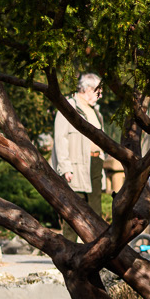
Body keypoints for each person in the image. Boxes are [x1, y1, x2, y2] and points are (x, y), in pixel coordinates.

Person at [53, 73, 123, 211]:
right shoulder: (68, 107)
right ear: (88, 89)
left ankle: (97, 227)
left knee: (95, 209)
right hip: (75, 167)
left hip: (96, 163)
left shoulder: (96, 112)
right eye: (99, 92)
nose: (100, 96)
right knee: (75, 209)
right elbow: (60, 139)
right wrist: (65, 167)